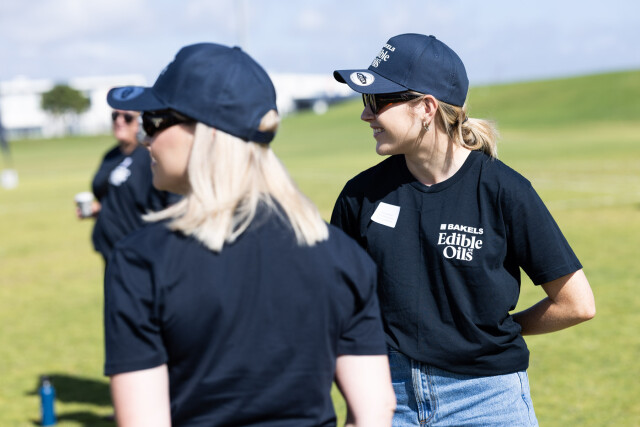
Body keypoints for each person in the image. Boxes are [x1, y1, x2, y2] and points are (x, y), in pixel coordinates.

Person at [103, 42, 396, 427]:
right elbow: (375, 410)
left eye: (155, 121)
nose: (145, 139)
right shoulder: (341, 254)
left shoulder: (142, 260)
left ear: (204, 133)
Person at [330, 33, 596, 426]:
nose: (366, 115)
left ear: (426, 107)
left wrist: (490, 331)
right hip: (389, 400)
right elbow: (335, 304)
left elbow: (576, 303)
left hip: (486, 402)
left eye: (378, 101)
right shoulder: (360, 196)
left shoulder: (504, 190)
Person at [78, 107, 179, 264]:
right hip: (111, 252)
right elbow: (118, 198)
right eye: (115, 116)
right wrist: (98, 210)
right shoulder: (111, 156)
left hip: (140, 254)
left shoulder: (151, 157)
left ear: (140, 121)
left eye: (127, 117)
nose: (119, 121)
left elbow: (173, 204)